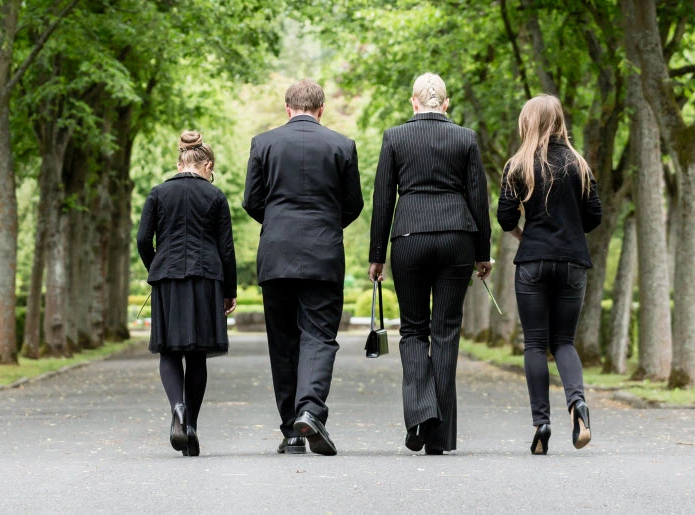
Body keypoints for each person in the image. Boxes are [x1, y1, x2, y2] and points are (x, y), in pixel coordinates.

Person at [368, 73, 492, 455]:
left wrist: (377, 255)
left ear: (414, 102)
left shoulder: (395, 137)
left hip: (409, 236)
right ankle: (439, 436)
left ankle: (422, 412)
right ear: (446, 103)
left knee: (413, 331)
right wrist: (482, 252)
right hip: (457, 236)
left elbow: (383, 198)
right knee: (446, 332)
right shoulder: (465, 138)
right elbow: (478, 197)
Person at [243, 79, 363, 456]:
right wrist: (326, 225)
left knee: (282, 340)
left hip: (276, 251)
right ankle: (310, 409)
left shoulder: (264, 144)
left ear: (287, 108)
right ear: (321, 109)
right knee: (319, 335)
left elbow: (252, 200)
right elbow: (353, 203)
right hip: (323, 252)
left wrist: (279, 223)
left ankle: (291, 429)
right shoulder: (342, 146)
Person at [497, 94, 601, 455]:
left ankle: (541, 422)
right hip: (573, 262)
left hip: (533, 263)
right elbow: (594, 217)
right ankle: (578, 404)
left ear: (528, 122)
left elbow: (506, 218)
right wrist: (569, 226)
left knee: (535, 344)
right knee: (564, 342)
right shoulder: (579, 164)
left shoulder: (518, 165)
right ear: (559, 121)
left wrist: (526, 236)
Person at [136, 131, 237, 457]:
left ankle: (177, 409)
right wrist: (229, 291)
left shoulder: (157, 193)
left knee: (168, 350)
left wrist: (157, 268)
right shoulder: (215, 196)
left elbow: (142, 240)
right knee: (196, 354)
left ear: (179, 163)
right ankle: (190, 425)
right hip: (206, 278)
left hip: (167, 279)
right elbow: (226, 249)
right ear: (206, 164)